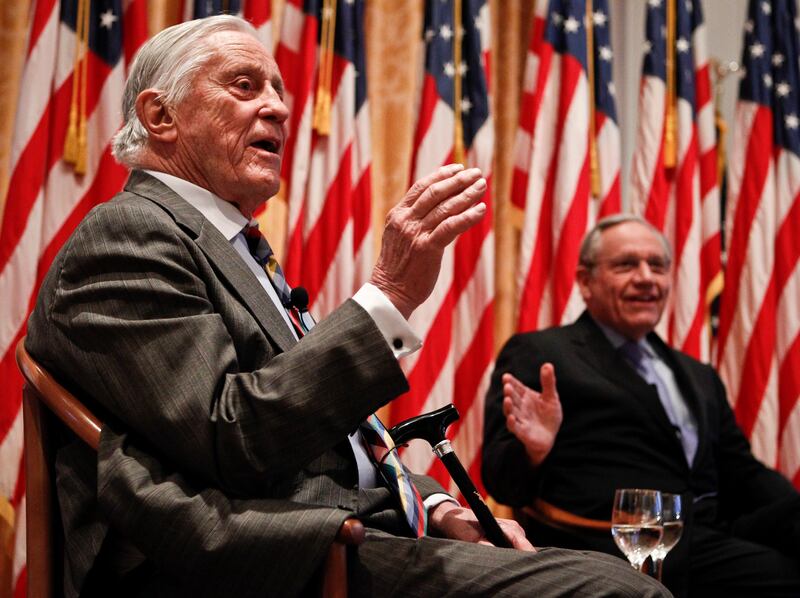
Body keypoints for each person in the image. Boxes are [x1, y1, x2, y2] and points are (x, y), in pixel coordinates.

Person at [24, 16, 669, 598]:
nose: (278, 108)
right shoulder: (131, 236)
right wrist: (388, 296)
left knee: (620, 576)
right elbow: (231, 437)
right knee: (621, 592)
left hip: (349, 532)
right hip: (269, 562)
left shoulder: (236, 247)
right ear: (160, 117)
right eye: (245, 86)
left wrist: (437, 508)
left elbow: (334, 449)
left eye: (279, 90)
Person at [483, 214, 800, 597]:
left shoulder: (696, 373)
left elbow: (741, 472)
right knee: (783, 573)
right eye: (626, 265)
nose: (647, 277)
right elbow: (501, 481)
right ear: (585, 281)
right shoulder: (543, 354)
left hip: (713, 532)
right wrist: (533, 451)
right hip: (620, 546)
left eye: (658, 266)